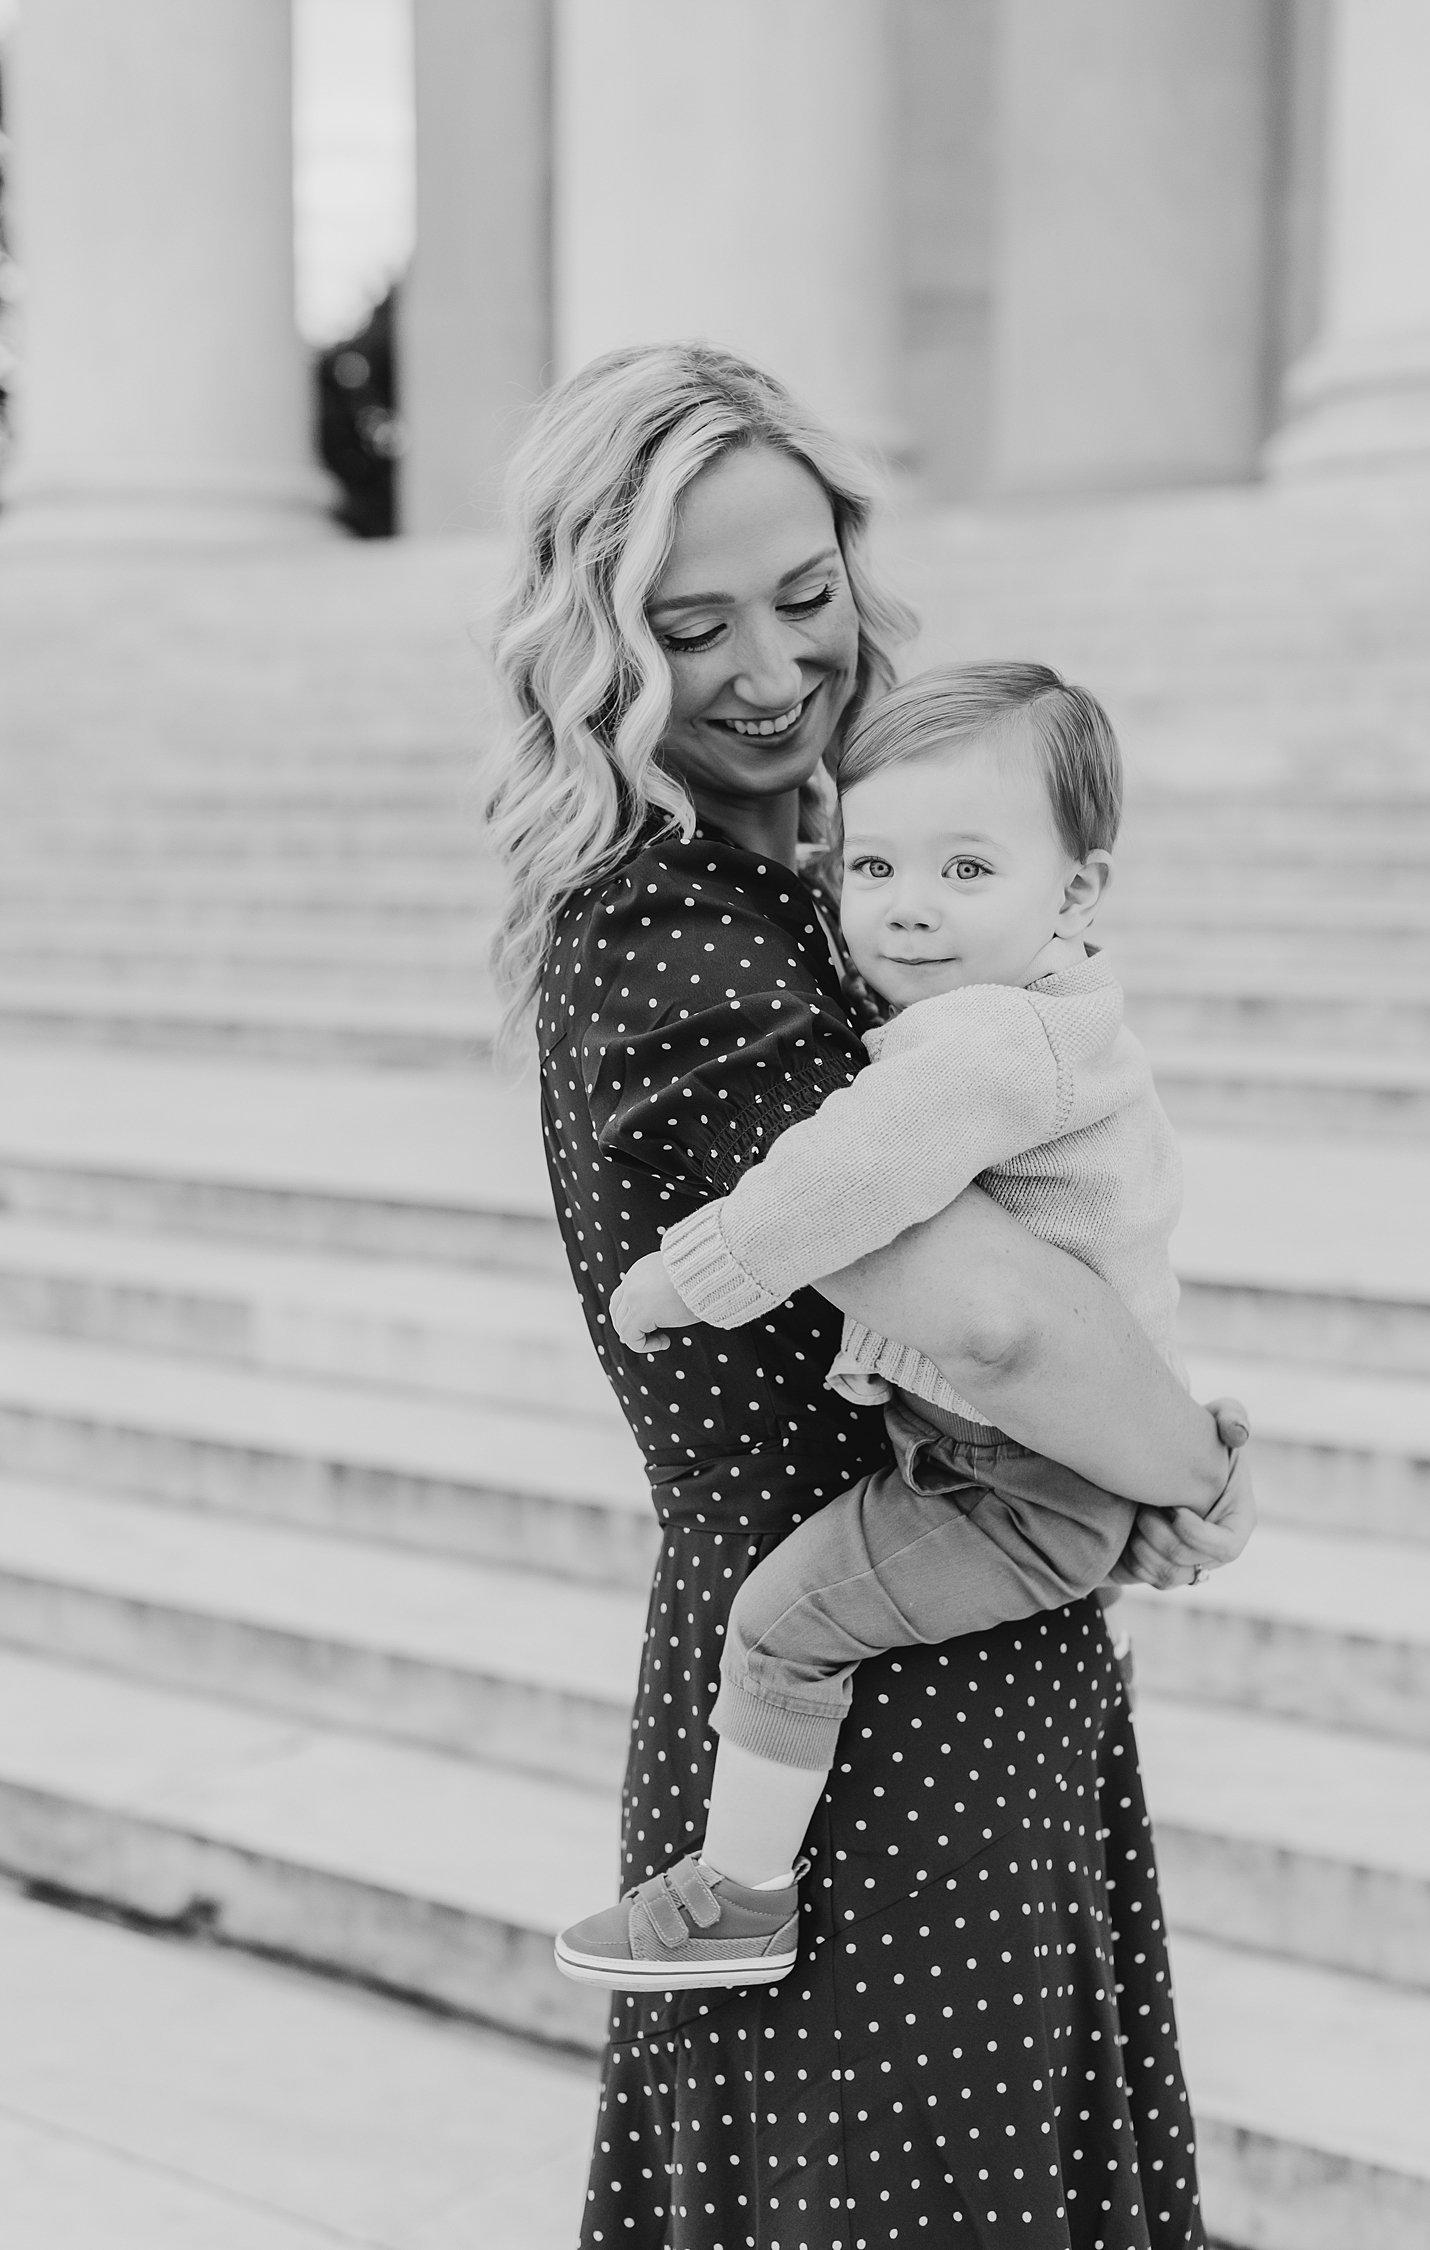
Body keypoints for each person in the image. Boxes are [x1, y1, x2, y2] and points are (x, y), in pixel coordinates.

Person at [486, 340, 1253, 2250]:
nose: (769, 669)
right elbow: (986, 1317)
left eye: (806, 595)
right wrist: (1190, 1472)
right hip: (847, 1711)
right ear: (601, 650)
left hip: (964, 1639)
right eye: (692, 626)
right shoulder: (665, 933)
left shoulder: (858, 880)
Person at [554, 656, 1238, 1994]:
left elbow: (851, 1179)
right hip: (1050, 1451)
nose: (909, 910)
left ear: (1078, 889)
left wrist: (691, 1277)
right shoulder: (1024, 1009)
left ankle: (740, 1894)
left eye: (967, 873)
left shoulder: (991, 1042)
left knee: (782, 1622)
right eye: (873, 870)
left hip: (1019, 1478)